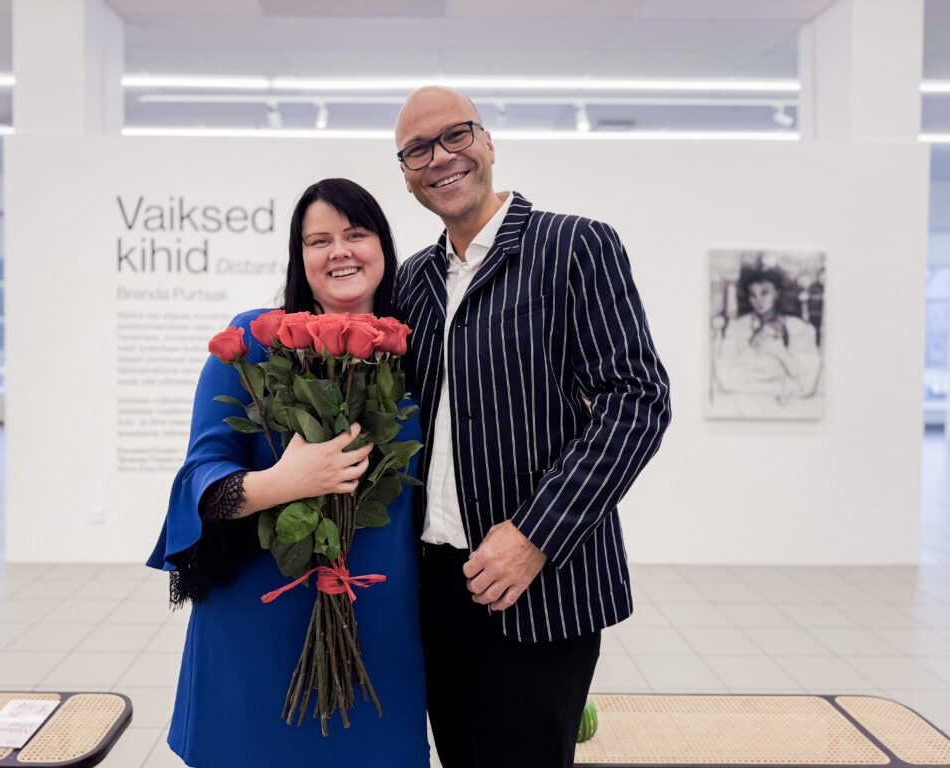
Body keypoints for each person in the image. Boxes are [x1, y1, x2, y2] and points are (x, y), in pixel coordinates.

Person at [393, 87, 671, 768]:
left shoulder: (574, 246)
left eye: (456, 135)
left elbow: (637, 400)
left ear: (488, 142)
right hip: (435, 589)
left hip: (542, 585)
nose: (440, 158)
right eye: (417, 150)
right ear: (405, 174)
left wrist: (534, 535)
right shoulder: (413, 280)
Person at [146, 178, 428, 767]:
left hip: (380, 616)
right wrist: (286, 482)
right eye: (318, 240)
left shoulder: (415, 353)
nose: (339, 251)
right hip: (258, 617)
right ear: (300, 256)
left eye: (356, 234)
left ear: (383, 245)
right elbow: (200, 481)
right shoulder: (255, 342)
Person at [713, 267, 822, 406]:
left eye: (764, 293)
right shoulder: (737, 327)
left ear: (777, 293)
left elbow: (807, 385)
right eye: (753, 295)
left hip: (787, 405)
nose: (758, 300)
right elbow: (726, 380)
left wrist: (779, 352)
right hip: (743, 402)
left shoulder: (800, 328)